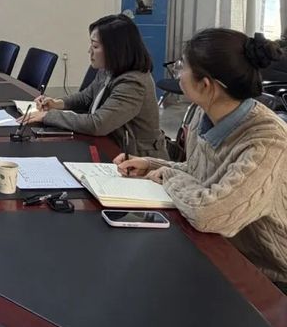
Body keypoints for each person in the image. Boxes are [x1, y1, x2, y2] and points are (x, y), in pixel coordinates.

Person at [116, 29, 287, 289]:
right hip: (221, 247)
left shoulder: (266, 142)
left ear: (206, 85)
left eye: (182, 67)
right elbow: (200, 173)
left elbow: (210, 213)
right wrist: (152, 165)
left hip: (269, 274)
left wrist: (167, 175)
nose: (177, 74)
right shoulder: (202, 112)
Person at [22, 14, 167, 158]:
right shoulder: (109, 69)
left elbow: (98, 124)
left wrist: (48, 116)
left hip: (138, 158)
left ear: (115, 49)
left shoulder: (133, 83)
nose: (89, 51)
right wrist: (57, 103)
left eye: (95, 46)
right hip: (113, 147)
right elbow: (86, 97)